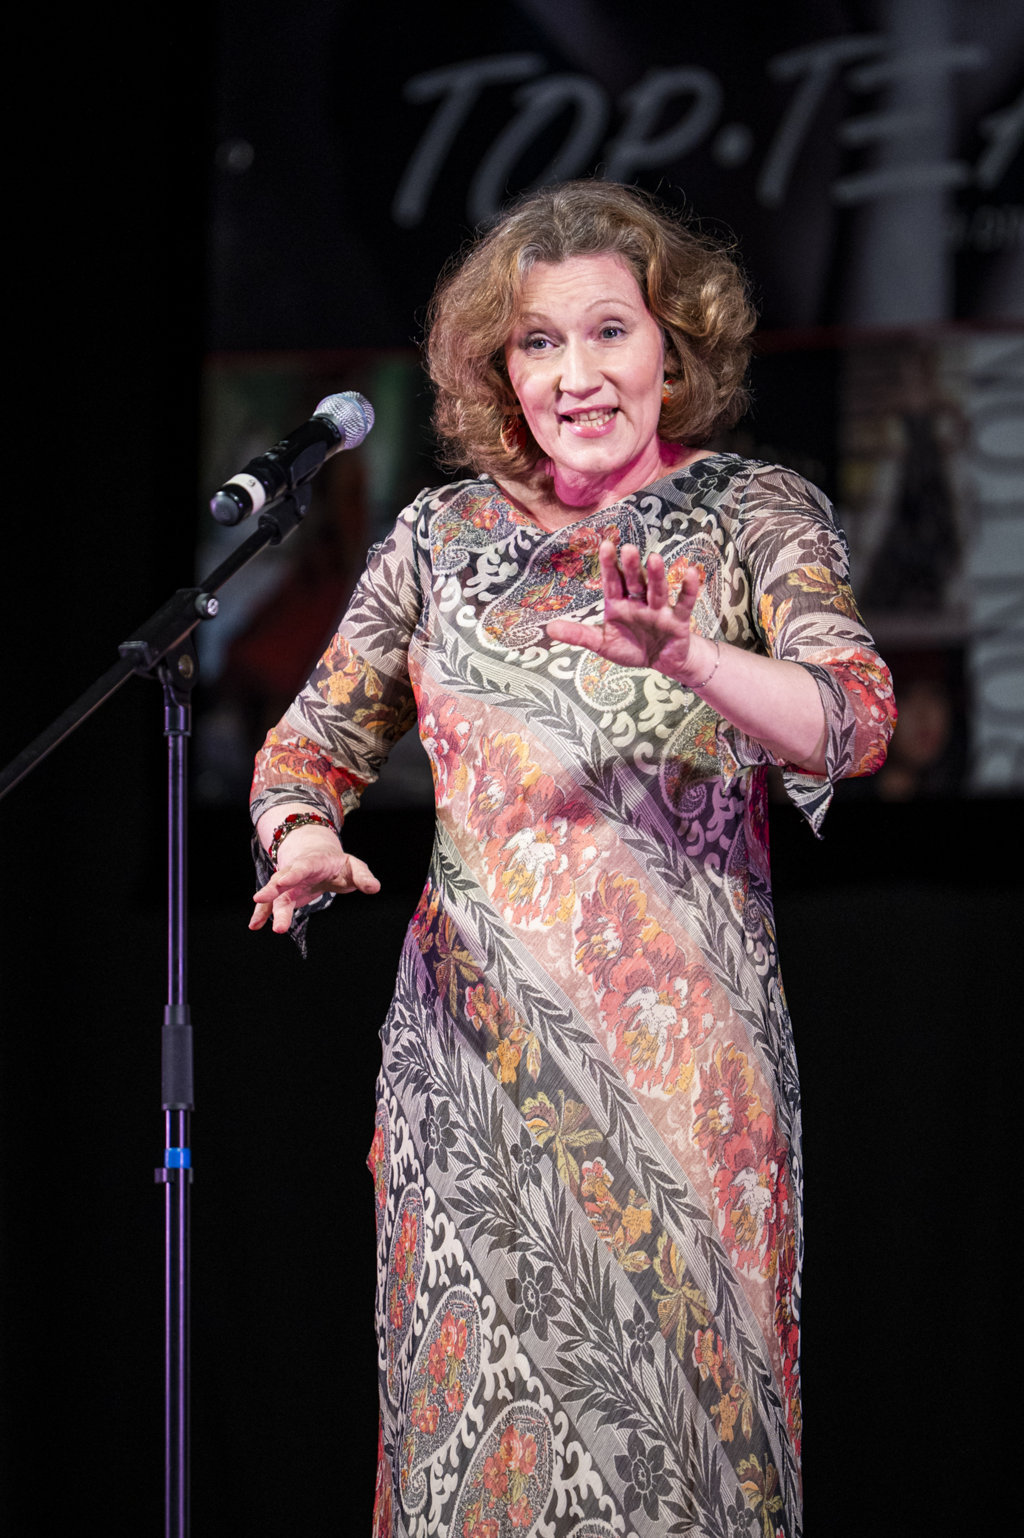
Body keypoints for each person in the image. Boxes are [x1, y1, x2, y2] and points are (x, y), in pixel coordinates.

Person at [248, 180, 895, 1538]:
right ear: (502, 369)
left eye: (610, 331)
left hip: (682, 1082)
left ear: (673, 345)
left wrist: (694, 657)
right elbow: (309, 747)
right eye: (539, 342)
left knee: (692, 1469)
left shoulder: (749, 513)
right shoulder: (438, 539)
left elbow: (852, 719)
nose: (576, 373)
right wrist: (301, 837)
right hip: (470, 1078)